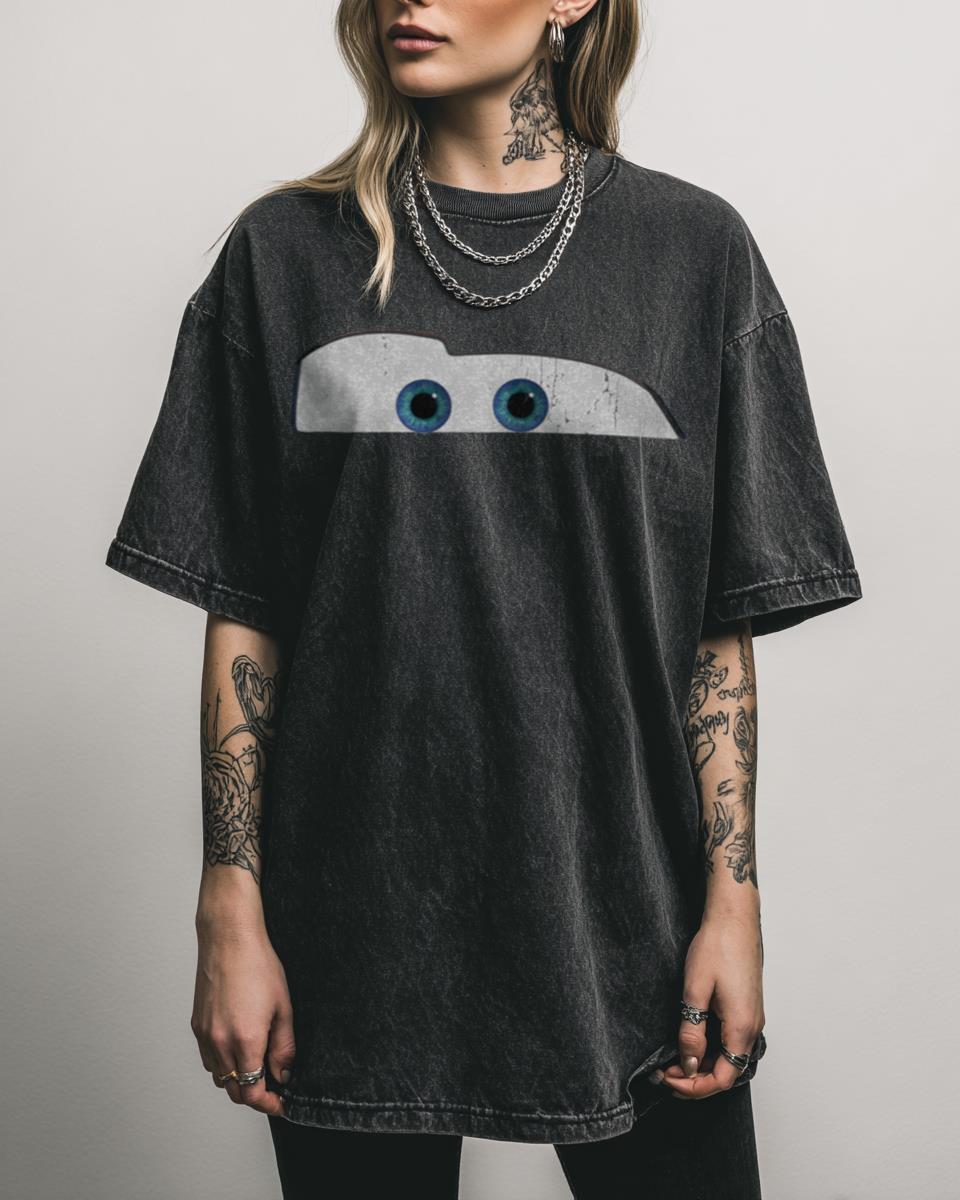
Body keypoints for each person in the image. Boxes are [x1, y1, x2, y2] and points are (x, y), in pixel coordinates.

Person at [104, 0, 863, 1196]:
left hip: (630, 915)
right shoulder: (285, 254)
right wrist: (229, 905)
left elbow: (714, 631)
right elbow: (245, 608)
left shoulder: (693, 254)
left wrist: (734, 902)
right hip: (351, 923)